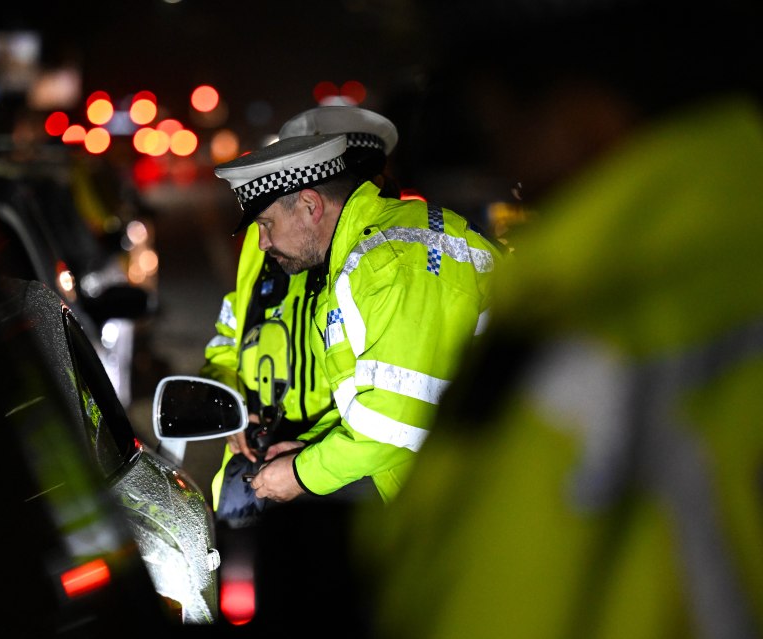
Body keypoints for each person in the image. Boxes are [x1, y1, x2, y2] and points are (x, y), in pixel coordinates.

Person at [348, 0, 763, 637]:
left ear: (581, 116)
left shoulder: (595, 330)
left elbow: (490, 597)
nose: (510, 175)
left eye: (498, 124)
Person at [212, 130, 505, 506]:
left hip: (483, 499)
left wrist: (302, 473)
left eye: (266, 224)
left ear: (309, 205)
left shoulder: (396, 262)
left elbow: (395, 420)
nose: (263, 243)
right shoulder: (362, 255)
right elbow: (377, 396)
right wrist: (313, 442)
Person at [202, 106, 402, 526]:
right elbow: (227, 342)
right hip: (266, 467)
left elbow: (393, 409)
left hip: (353, 472)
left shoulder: (387, 264)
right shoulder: (267, 249)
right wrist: (231, 402)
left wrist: (307, 459)